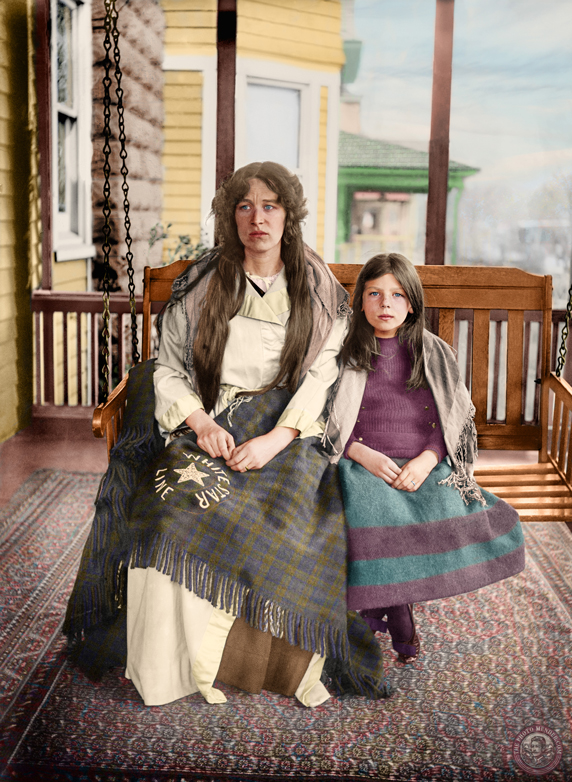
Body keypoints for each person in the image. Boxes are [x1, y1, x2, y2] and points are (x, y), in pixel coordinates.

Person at [65, 162, 387, 707]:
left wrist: (276, 438)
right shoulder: (204, 282)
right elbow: (166, 368)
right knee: (170, 510)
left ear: (289, 216)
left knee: (290, 518)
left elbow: (324, 376)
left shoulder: (317, 286)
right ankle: (174, 668)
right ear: (230, 216)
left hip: (289, 428)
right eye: (245, 206)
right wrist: (201, 421)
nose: (257, 218)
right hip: (215, 420)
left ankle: (268, 663)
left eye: (270, 206)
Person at [323, 253, 526, 663]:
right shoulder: (342, 352)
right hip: (361, 462)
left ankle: (379, 604)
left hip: (423, 463)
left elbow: (451, 420)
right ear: (359, 300)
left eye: (397, 295)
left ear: (412, 303)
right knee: (370, 512)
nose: (385, 304)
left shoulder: (433, 353)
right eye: (375, 293)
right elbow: (324, 415)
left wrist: (429, 460)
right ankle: (397, 611)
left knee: (454, 510)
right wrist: (359, 453)